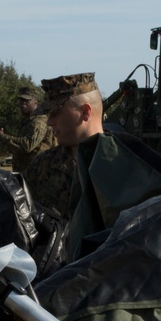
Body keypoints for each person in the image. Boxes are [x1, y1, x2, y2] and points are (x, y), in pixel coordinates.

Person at [23, 73, 104, 218]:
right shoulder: (42, 165)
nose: (49, 122)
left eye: (56, 113)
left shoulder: (122, 164)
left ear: (85, 112)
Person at [0, 86, 54, 172]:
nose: (22, 103)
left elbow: (28, 145)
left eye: (27, 100)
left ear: (35, 102)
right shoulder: (27, 121)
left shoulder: (39, 122)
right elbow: (18, 148)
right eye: (21, 100)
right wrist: (2, 139)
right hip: (26, 173)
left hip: (37, 173)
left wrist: (3, 137)